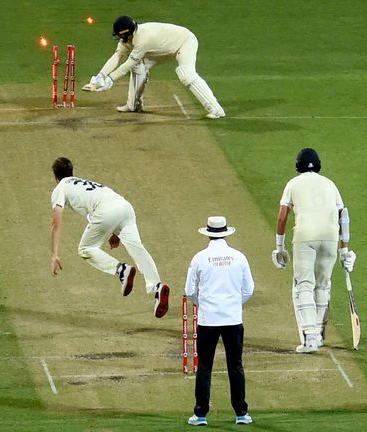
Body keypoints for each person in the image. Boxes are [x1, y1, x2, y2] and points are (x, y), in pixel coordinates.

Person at [49, 157, 170, 318]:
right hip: (125, 207)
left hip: (106, 211)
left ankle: (121, 270)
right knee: (137, 248)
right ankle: (157, 287)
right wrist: (114, 232)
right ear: (72, 172)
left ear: (55, 177)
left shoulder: (60, 188)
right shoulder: (83, 182)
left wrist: (54, 254)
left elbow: (56, 223)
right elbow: (101, 206)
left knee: (86, 249)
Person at [272, 148, 356, 353]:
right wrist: (345, 250)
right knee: (322, 286)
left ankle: (309, 337)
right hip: (330, 237)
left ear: (297, 165)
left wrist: (279, 247)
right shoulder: (330, 184)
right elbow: (343, 216)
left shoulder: (293, 183)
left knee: (304, 286)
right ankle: (317, 335)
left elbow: (282, 217)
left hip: (305, 237)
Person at [81, 15, 226, 119]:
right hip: (161, 49)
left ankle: (217, 110)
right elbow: (117, 56)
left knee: (186, 74)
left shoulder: (143, 39)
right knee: (138, 66)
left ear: (127, 33)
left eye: (120, 35)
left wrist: (110, 80)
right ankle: (133, 105)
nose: (119, 38)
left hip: (184, 42)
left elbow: (127, 64)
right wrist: (100, 76)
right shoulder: (127, 38)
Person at [185, 216, 254, 426]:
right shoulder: (239, 257)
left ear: (207, 234)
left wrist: (203, 304)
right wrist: (234, 304)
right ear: (225, 233)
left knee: (205, 366)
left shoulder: (199, 258)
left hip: (208, 320)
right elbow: (248, 289)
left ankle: (200, 415)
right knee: (236, 365)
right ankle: (241, 413)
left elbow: (189, 292)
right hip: (233, 319)